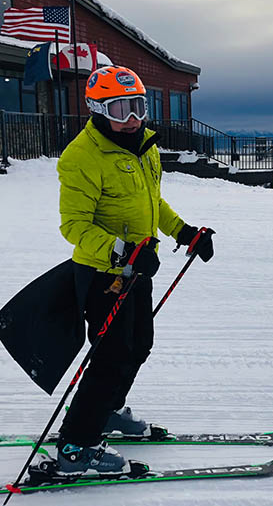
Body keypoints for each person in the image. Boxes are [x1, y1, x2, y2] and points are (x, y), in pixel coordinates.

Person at [54, 65, 214, 475]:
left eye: (138, 107)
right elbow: (74, 227)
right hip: (103, 276)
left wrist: (185, 232)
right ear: (97, 109)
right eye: (121, 109)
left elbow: (152, 204)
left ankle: (106, 412)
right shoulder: (82, 157)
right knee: (110, 357)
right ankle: (75, 446)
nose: (132, 119)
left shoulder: (145, 147)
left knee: (139, 345)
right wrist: (122, 252)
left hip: (139, 270)